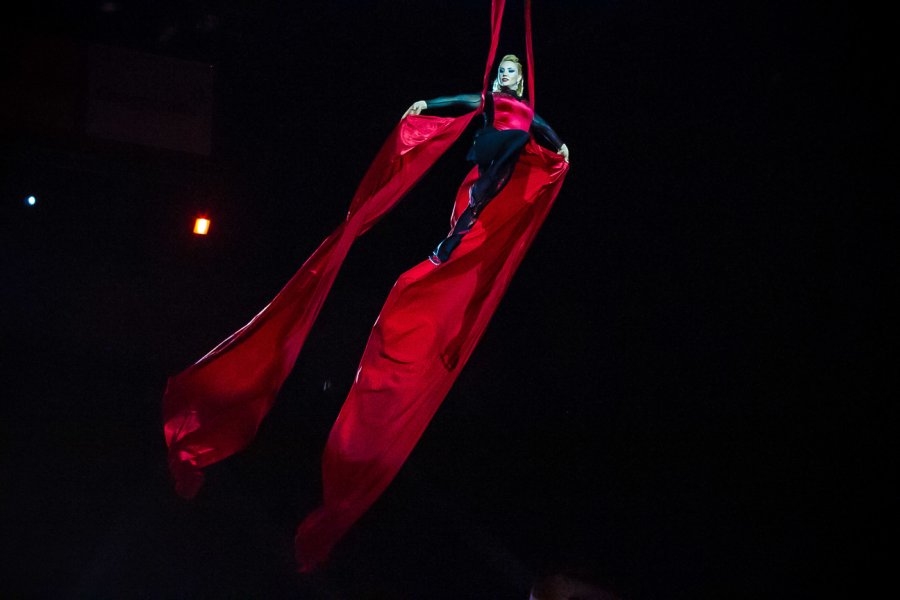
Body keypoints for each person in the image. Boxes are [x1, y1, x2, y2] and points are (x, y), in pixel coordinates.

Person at [403, 54, 570, 264]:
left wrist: (561, 146)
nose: (505, 74)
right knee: (520, 137)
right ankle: (488, 177)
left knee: (476, 207)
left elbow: (543, 127)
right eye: (502, 70)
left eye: (510, 71)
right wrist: (426, 103)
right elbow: (459, 99)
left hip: (503, 163)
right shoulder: (491, 98)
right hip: (489, 146)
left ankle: (443, 250)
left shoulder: (527, 107)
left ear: (519, 78)